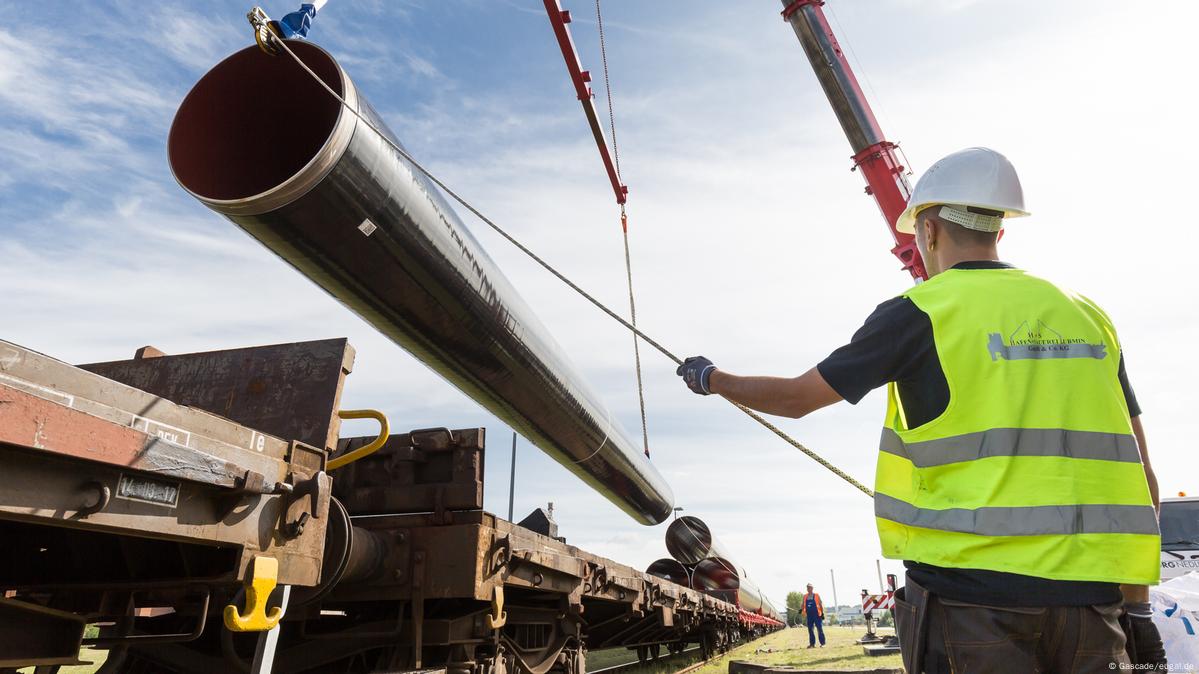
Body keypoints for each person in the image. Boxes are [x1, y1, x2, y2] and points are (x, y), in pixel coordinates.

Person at [676, 148, 1164, 673]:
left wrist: (712, 379)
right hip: (1092, 606)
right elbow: (1141, 479)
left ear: (929, 230)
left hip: (971, 606)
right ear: (1000, 231)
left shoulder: (920, 313)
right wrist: (1136, 609)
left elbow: (798, 399)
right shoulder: (1089, 316)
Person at [800, 583, 825, 648]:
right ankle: (812, 644)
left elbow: (820, 604)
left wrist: (822, 613)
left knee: (819, 629)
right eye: (808, 588)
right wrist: (801, 609)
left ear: (812, 588)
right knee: (810, 629)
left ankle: (822, 643)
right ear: (807, 589)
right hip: (809, 615)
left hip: (817, 615)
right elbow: (803, 604)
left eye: (810, 587)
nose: (809, 589)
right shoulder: (805, 596)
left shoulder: (816, 595)